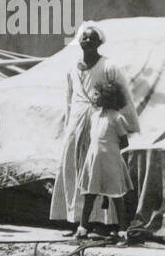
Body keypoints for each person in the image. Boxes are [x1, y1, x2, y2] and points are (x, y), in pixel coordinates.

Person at [49, 22, 139, 228]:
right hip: (77, 120)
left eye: (92, 38)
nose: (87, 41)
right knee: (74, 165)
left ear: (99, 42)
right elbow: (69, 98)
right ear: (79, 41)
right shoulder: (72, 67)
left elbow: (123, 96)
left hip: (99, 119)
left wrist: (128, 126)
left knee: (98, 167)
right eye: (84, 37)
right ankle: (75, 218)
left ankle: (100, 221)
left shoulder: (109, 66)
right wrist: (68, 124)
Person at [75, 78, 136, 240]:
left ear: (107, 97)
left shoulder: (117, 118)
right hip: (94, 162)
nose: (94, 97)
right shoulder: (94, 117)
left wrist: (110, 153)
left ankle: (123, 231)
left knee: (116, 197)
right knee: (89, 194)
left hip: (110, 162)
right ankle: (82, 228)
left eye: (97, 94)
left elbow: (124, 142)